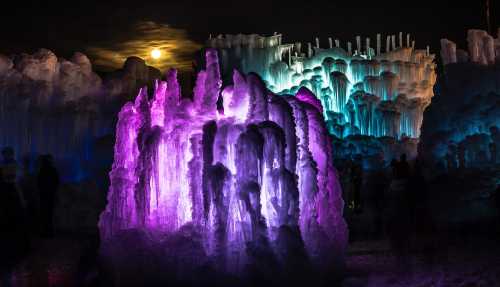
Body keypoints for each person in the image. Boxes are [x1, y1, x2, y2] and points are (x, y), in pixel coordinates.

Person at [37, 155, 60, 237]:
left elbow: (38, 183)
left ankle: (44, 231)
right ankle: (48, 231)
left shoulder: (41, 170)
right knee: (49, 214)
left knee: (44, 213)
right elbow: (56, 182)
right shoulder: (52, 170)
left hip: (44, 195)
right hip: (50, 194)